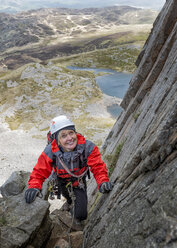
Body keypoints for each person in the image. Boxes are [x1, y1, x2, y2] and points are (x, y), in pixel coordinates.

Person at [25, 115, 113, 222]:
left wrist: (103, 181)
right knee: (69, 197)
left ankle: (72, 212)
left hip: (78, 182)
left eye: (71, 133)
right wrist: (34, 186)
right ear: (57, 140)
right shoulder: (50, 151)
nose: (70, 138)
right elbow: (40, 171)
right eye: (63, 136)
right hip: (60, 180)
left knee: (81, 215)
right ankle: (69, 204)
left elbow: (98, 166)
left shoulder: (88, 147)